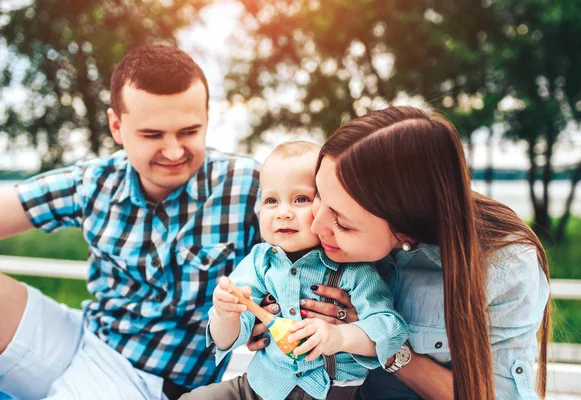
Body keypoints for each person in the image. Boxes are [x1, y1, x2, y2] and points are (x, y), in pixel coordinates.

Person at [0, 45, 261, 400]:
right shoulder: (93, 181)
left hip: (149, 383)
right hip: (78, 339)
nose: (173, 151)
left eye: (188, 131)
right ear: (117, 127)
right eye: (152, 135)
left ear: (207, 117)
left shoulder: (248, 185)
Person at [249, 106, 550, 399]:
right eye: (316, 197)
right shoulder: (329, 227)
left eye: (342, 222)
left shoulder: (503, 264)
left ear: (404, 231)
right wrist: (265, 318)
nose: (316, 224)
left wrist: (380, 343)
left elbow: (493, 395)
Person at [181, 141, 408, 400]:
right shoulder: (260, 262)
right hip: (263, 385)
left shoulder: (353, 268)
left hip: (330, 392)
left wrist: (340, 336)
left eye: (301, 199)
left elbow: (390, 329)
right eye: (271, 201)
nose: (283, 213)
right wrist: (226, 315)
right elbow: (226, 340)